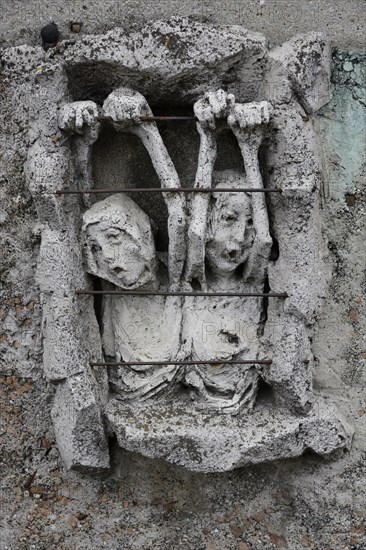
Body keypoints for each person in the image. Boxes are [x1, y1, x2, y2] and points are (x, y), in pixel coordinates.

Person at [182, 91, 273, 414]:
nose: (237, 243)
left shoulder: (250, 285)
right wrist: (207, 137)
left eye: (247, 224)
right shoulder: (192, 281)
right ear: (207, 223)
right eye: (229, 220)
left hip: (241, 398)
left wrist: (251, 149)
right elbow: (194, 231)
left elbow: (263, 240)